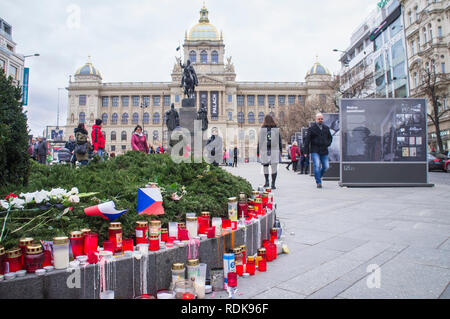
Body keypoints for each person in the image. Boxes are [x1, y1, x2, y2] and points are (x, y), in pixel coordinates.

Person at [303, 113, 333, 188]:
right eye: (319, 119)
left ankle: (318, 176)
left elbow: (330, 138)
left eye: (321, 119)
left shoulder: (326, 128)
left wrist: (327, 143)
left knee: (326, 166)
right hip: (315, 150)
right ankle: (318, 182)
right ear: (316, 119)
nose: (320, 120)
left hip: (324, 150)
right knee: (317, 165)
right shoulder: (311, 129)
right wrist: (305, 152)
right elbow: (307, 141)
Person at [257, 115, 282, 189]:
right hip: (274, 149)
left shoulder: (262, 129)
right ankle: (273, 184)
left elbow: (260, 141)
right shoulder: (275, 128)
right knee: (274, 167)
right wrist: (280, 151)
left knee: (265, 166)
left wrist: (258, 151)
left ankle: (267, 181)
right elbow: (279, 140)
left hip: (265, 150)